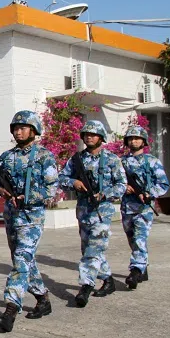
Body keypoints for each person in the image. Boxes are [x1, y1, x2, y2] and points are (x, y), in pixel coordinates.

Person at [0, 111, 60, 332]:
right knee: (25, 261)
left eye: (23, 127)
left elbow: (51, 189)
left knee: (20, 261)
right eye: (15, 128)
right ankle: (42, 298)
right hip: (11, 215)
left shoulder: (44, 157)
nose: (18, 132)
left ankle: (10, 309)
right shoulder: (6, 157)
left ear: (34, 130)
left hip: (32, 217)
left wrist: (28, 197)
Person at [58, 119, 127, 307]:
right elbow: (62, 178)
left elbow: (121, 185)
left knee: (93, 250)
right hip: (84, 211)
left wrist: (105, 193)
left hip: (102, 212)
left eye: (93, 134)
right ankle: (108, 280)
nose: (89, 137)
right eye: (86, 134)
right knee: (90, 248)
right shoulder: (77, 159)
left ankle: (86, 286)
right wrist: (74, 183)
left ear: (101, 138)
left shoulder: (112, 159)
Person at [120, 124, 169, 289]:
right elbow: (113, 182)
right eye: (131, 138)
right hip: (127, 207)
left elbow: (163, 184)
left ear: (143, 141)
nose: (134, 141)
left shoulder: (152, 161)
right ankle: (142, 267)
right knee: (132, 240)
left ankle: (134, 271)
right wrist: (123, 187)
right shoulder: (121, 162)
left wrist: (150, 193)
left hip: (144, 208)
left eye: (137, 138)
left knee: (140, 239)